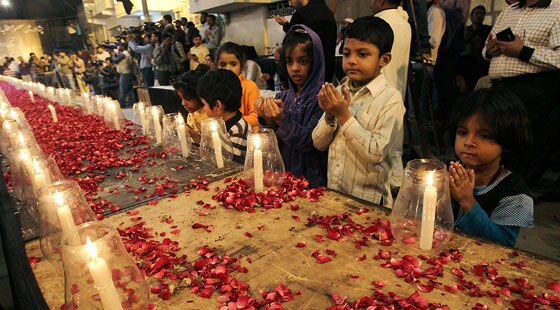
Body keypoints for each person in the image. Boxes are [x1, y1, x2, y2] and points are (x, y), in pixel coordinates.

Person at [312, 16, 405, 208]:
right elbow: (318, 143)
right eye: (346, 54)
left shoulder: (390, 99)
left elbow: (376, 154)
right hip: (336, 193)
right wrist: (329, 114)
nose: (351, 61)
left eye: (362, 54)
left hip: (369, 202)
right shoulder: (339, 91)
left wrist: (343, 115)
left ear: (384, 60)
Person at [483, 0, 560, 190]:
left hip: (531, 89)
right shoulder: (509, 10)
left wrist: (523, 51)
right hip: (499, 89)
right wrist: (489, 50)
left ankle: (513, 203)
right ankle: (490, 197)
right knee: (495, 146)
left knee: (521, 151)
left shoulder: (557, 9)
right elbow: (486, 47)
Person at [449, 88, 533, 246]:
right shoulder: (449, 172)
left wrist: (467, 201)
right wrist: (442, 197)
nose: (468, 142)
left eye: (484, 136)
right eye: (462, 132)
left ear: (507, 142)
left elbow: (503, 244)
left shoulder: (515, 194)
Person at [255, 25, 328, 187]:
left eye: (303, 61)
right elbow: (269, 139)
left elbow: (310, 141)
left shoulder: (324, 98)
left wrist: (282, 119)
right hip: (283, 175)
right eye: (289, 62)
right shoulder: (282, 96)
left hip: (312, 180)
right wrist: (265, 119)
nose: (295, 68)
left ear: (315, 62)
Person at [273, 0, 337, 83]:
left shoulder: (301, 14)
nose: (290, 3)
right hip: (327, 71)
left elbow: (293, 45)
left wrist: (285, 25)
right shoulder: (327, 13)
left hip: (307, 74)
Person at [197, 69, 251, 164]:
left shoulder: (238, 130)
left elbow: (229, 163)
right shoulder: (221, 123)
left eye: (204, 104)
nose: (203, 109)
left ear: (217, 105)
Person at [372, 0, 411, 103]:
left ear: (381, 1)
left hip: (376, 95)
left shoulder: (377, 24)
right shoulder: (405, 24)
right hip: (397, 94)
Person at [216, 42, 259, 129]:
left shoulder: (249, 86)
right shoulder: (215, 86)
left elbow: (256, 117)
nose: (228, 68)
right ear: (216, 65)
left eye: (233, 64)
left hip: (247, 135)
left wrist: (231, 123)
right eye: (223, 65)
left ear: (242, 66)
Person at [458, 5, 492, 92]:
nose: (479, 15)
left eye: (482, 14)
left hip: (482, 66)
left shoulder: (487, 30)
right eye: (477, 13)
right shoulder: (465, 31)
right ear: (471, 16)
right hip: (466, 66)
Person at [172, 67, 210, 144]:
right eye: (181, 98)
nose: (183, 103)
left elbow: (212, 148)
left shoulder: (210, 116)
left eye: (187, 99)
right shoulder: (192, 114)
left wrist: (193, 134)